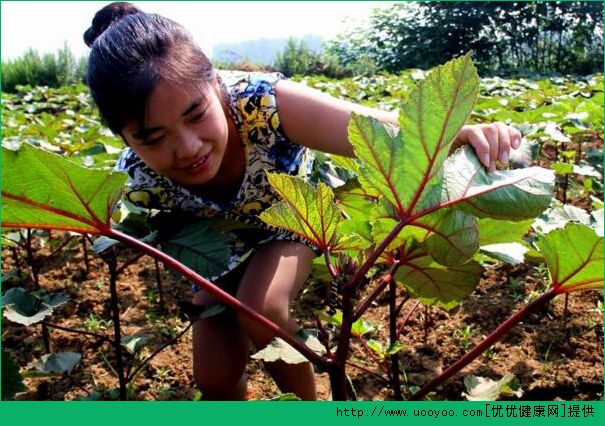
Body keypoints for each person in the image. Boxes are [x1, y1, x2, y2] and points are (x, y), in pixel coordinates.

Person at [83, 2, 522, 401]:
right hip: (216, 248)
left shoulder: (264, 102)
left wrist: (461, 134)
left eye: (196, 115)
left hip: (296, 216)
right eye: (151, 137)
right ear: (123, 138)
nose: (187, 148)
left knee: (261, 308)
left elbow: (377, 130)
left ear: (215, 83)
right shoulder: (134, 178)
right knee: (213, 378)